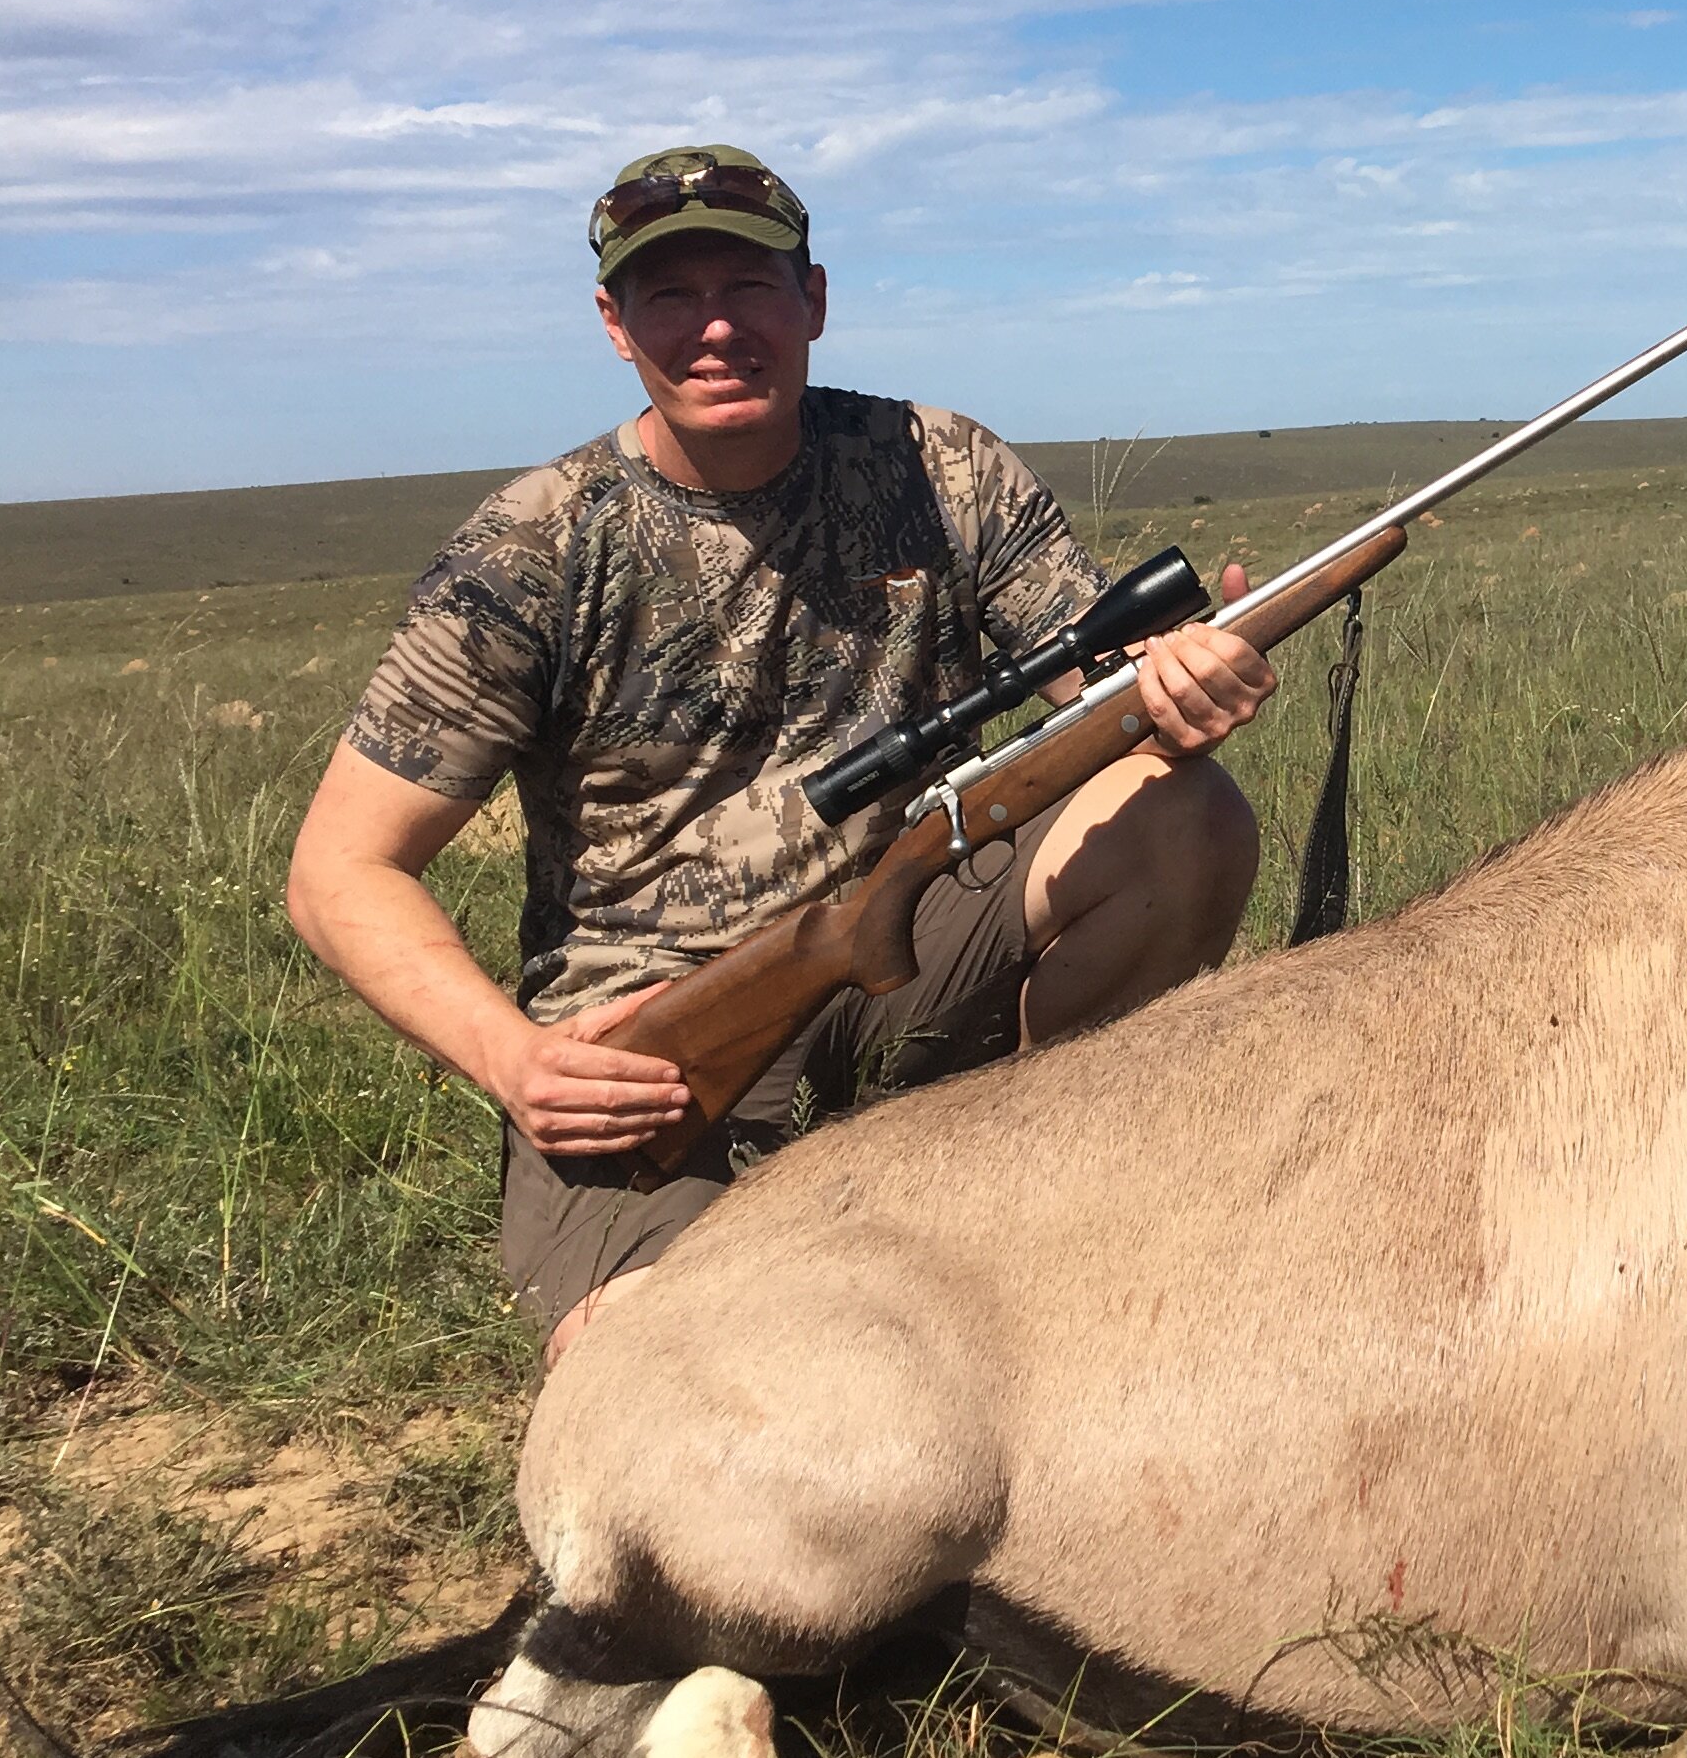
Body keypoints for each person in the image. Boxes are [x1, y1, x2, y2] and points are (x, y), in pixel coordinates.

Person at [286, 145, 1272, 1369]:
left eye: (750, 288)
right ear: (613, 322)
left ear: (812, 299)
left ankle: (1043, 1183)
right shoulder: (534, 543)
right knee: (664, 1376)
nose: (716, 328)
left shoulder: (940, 465)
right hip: (655, 1037)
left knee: (1182, 810)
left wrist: (1176, 683)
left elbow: (1098, 686)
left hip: (910, 939)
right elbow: (341, 871)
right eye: (670, 295)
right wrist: (520, 1062)